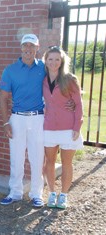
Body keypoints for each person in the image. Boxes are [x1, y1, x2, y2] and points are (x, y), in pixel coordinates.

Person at [0, 34, 46, 208]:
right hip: (17, 118)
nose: (28, 49)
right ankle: (15, 192)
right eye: (25, 46)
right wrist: (6, 123)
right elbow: (3, 97)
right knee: (16, 158)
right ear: (21, 48)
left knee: (37, 157)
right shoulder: (10, 70)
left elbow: (57, 85)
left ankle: (36, 194)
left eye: (32, 46)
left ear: (37, 47)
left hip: (37, 118)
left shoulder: (44, 67)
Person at [42, 46, 83, 209]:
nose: (53, 63)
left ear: (62, 61)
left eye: (57, 59)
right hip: (49, 127)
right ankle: (52, 193)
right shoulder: (42, 80)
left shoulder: (70, 79)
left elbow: (79, 105)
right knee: (49, 162)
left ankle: (64, 195)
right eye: (50, 59)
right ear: (46, 60)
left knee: (67, 163)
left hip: (68, 128)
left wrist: (77, 126)